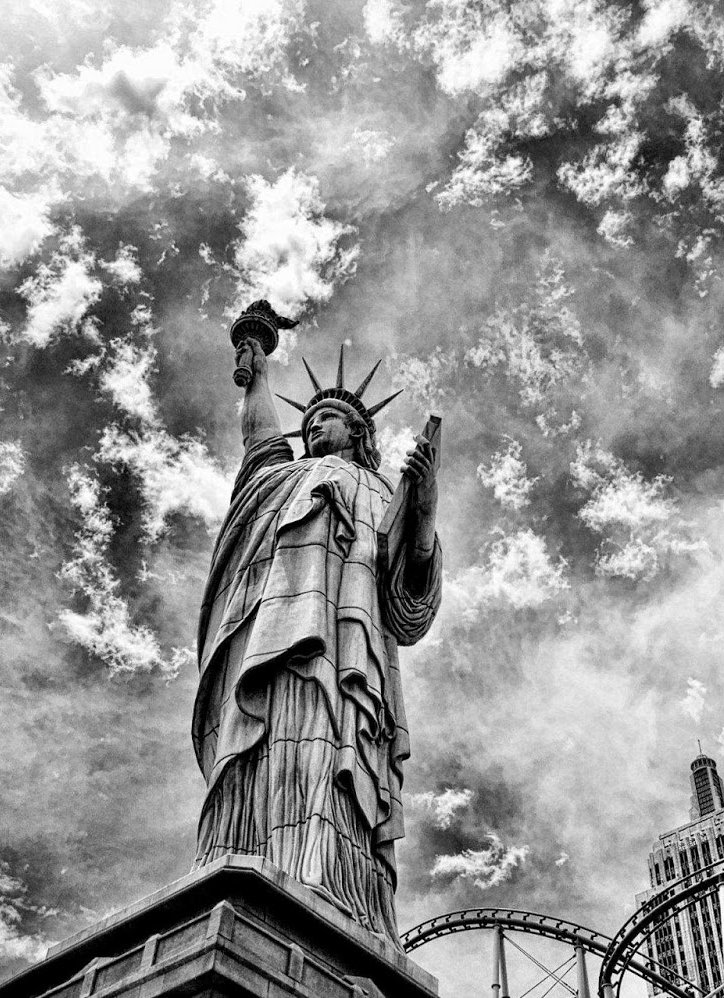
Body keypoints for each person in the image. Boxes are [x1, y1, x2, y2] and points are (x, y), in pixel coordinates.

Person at [192, 329, 441, 942]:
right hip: (268, 641)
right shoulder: (283, 476)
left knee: (332, 758)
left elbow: (408, 603)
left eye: (324, 419)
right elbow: (259, 437)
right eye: (307, 422)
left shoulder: (380, 491)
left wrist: (424, 512)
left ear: (357, 431)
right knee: (259, 751)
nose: (312, 429)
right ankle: (241, 858)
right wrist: (257, 375)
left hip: (347, 652)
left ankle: (331, 879)